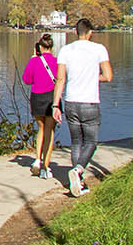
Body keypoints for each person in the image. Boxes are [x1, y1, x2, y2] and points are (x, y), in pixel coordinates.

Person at [53, 17, 112, 198]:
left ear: (76, 32)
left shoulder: (65, 50)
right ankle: (78, 170)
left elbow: (61, 79)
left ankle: (78, 181)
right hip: (90, 102)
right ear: (90, 32)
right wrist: (93, 77)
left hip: (71, 102)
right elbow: (108, 76)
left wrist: (56, 105)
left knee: (77, 142)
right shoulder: (99, 49)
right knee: (91, 142)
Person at [21, 33, 59, 179]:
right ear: (52, 47)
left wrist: (32, 60)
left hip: (37, 98)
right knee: (50, 131)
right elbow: (62, 79)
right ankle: (46, 167)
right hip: (51, 98)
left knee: (41, 129)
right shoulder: (57, 61)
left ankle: (37, 159)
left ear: (40, 47)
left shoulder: (34, 61)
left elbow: (27, 80)